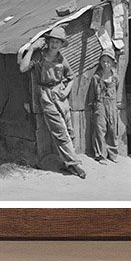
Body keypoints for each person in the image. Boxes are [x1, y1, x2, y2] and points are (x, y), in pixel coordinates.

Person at [18, 26, 86, 179]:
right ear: (48, 42)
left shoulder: (61, 59)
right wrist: (30, 50)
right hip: (46, 96)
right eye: (53, 41)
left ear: (62, 44)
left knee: (69, 131)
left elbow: (71, 77)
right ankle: (75, 163)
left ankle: (69, 163)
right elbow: (23, 68)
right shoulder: (39, 57)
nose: (55, 45)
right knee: (60, 131)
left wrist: (67, 90)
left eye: (58, 42)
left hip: (60, 95)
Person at [86, 46, 120, 164]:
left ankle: (113, 153)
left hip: (111, 103)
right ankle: (100, 154)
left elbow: (116, 88)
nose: (106, 64)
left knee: (112, 128)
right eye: (103, 61)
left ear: (112, 62)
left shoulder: (115, 77)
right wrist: (93, 105)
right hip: (100, 103)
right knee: (100, 128)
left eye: (108, 61)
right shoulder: (96, 77)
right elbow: (92, 93)